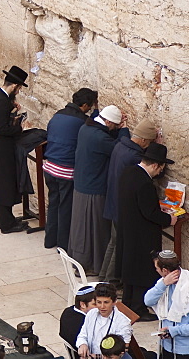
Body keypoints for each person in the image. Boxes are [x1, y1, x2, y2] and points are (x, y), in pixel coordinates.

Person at [117, 142, 176, 318]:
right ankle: (138, 308)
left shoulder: (129, 172)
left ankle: (129, 303)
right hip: (141, 234)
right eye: (161, 169)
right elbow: (149, 212)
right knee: (142, 270)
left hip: (128, 229)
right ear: (156, 165)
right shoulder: (145, 183)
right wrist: (169, 219)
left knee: (130, 269)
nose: (160, 173)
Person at [102, 117, 158, 284]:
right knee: (118, 244)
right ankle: (111, 282)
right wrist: (156, 150)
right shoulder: (135, 155)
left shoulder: (120, 145)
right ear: (142, 140)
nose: (148, 146)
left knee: (113, 243)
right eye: (148, 142)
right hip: (123, 207)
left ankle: (103, 278)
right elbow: (149, 170)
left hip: (113, 202)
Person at [71, 104, 126, 274]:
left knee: (82, 229)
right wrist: (124, 130)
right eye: (114, 125)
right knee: (93, 230)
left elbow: (107, 137)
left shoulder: (85, 129)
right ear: (108, 121)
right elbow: (118, 148)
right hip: (93, 189)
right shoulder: (99, 138)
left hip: (82, 184)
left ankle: (81, 261)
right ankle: (90, 265)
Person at [43, 88, 98, 251]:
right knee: (66, 207)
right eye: (91, 106)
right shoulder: (82, 122)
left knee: (53, 203)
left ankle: (50, 239)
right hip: (65, 170)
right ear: (85, 105)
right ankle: (63, 244)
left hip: (49, 167)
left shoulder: (58, 114)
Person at [0, 65, 31, 234]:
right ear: (14, 86)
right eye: (18, 89)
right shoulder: (1, 101)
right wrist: (20, 128)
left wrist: (12, 109)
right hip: (1, 148)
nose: (18, 92)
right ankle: (6, 224)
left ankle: (3, 219)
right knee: (3, 185)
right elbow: (0, 128)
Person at [144, 250, 189, 357]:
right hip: (166, 346)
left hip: (185, 349)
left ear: (164, 270)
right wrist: (163, 284)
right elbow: (148, 300)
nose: (156, 270)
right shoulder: (163, 283)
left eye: (157, 268)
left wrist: (174, 331)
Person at [75, 283, 132, 358]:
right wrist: (82, 344)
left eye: (106, 302)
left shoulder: (123, 322)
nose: (102, 307)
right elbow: (83, 335)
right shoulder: (91, 314)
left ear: (114, 302)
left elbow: (119, 353)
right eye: (99, 302)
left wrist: (95, 357)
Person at [59, 284, 97, 351]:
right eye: (95, 304)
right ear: (83, 305)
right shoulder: (82, 323)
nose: (100, 307)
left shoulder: (68, 311)